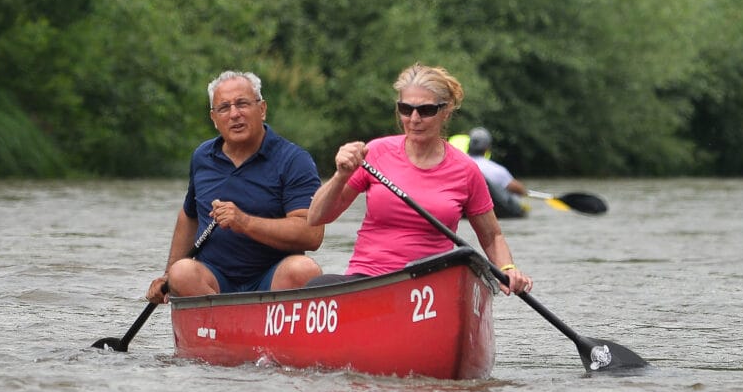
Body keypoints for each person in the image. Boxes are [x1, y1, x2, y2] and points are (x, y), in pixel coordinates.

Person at [307, 63, 532, 296]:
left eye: (425, 110)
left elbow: (492, 236)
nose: (414, 119)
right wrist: (340, 175)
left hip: (429, 286)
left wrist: (508, 269)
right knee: (315, 286)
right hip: (369, 279)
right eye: (406, 109)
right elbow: (316, 217)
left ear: (446, 110)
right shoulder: (373, 153)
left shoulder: (466, 170)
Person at [146, 70, 324, 302]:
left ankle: (267, 327)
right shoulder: (202, 156)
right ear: (213, 118)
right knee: (181, 272)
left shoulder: (294, 160)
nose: (234, 114)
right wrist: (167, 275)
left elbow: (311, 235)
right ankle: (222, 328)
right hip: (214, 279)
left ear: (262, 109)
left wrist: (245, 222)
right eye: (224, 108)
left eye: (242, 104)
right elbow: (189, 216)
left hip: (273, 279)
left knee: (305, 270)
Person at [465, 127, 529, 219]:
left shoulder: (457, 164)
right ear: (487, 147)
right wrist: (523, 192)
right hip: (496, 211)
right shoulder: (497, 170)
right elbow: (519, 189)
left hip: (467, 209)